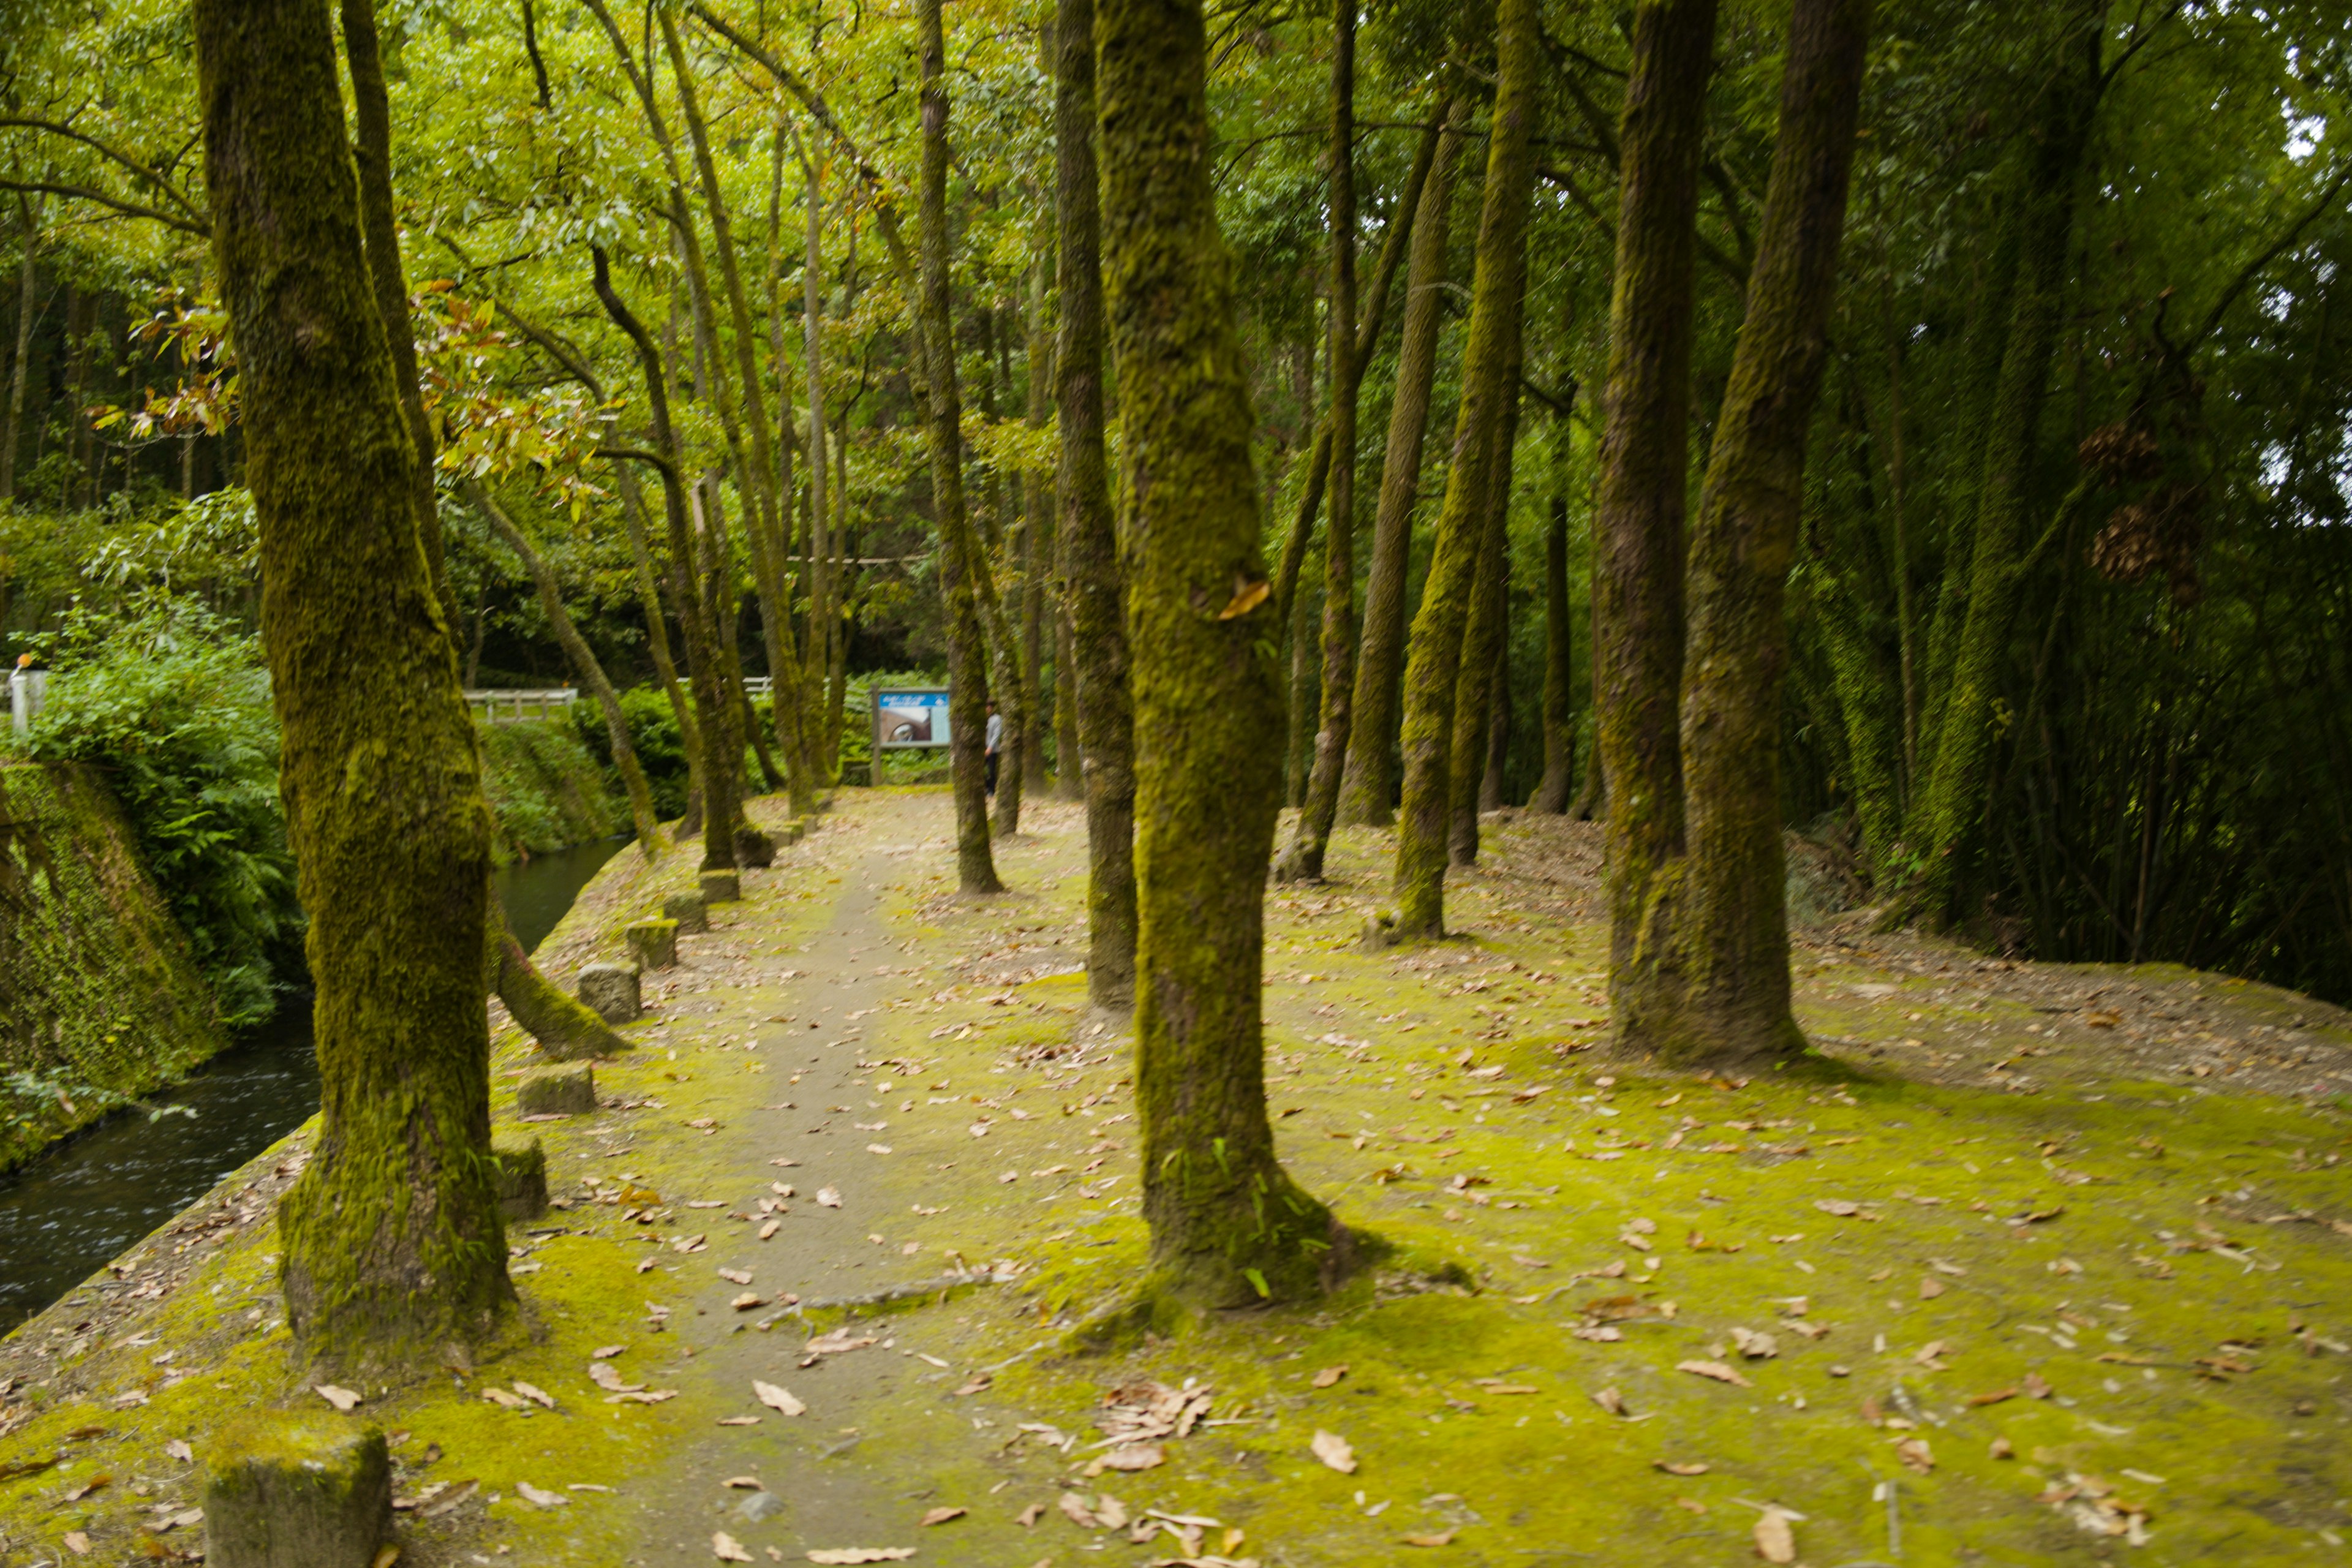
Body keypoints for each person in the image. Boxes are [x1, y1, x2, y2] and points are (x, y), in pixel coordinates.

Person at [983, 699, 1002, 800]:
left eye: (990, 706)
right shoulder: (980, 718)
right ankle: (986, 787)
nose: (988, 708)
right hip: (981, 748)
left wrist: (990, 747)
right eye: (986, 706)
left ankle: (991, 790)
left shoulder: (997, 719)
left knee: (991, 771)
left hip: (992, 749)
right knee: (980, 770)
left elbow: (997, 734)